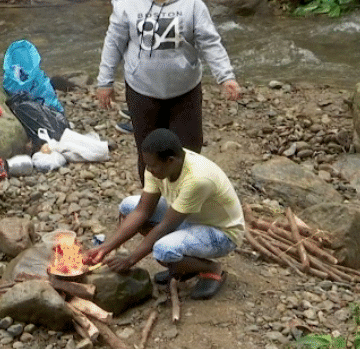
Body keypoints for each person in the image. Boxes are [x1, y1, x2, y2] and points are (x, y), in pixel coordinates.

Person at [96, 0, 241, 183]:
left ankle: (184, 201)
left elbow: (209, 42)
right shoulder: (129, 5)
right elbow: (113, 44)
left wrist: (226, 77)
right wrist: (105, 81)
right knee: (150, 152)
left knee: (188, 152)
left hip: (184, 91)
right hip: (142, 89)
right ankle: (151, 205)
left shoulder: (192, 4)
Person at [83, 128, 245, 300]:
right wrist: (106, 247)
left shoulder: (197, 179)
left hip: (221, 233)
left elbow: (166, 226)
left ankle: (211, 269)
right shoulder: (157, 165)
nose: (149, 170)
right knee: (128, 206)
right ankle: (183, 266)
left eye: (153, 167)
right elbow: (142, 211)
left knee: (163, 251)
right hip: (189, 217)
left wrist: (130, 260)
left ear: (170, 161)